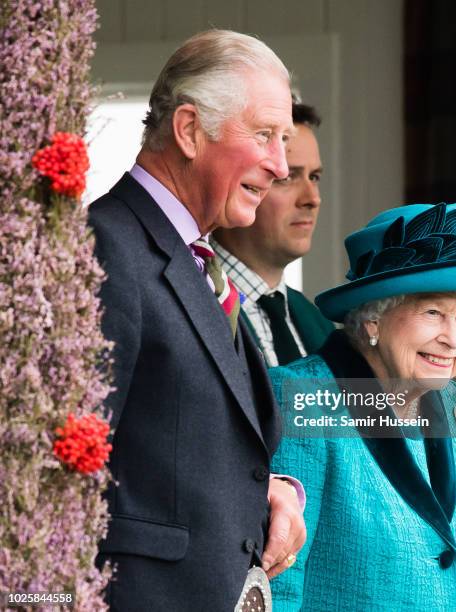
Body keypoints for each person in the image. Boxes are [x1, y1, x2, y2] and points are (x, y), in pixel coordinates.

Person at [89, 30, 306, 611]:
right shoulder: (104, 248)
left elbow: (171, 443)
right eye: (264, 135)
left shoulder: (201, 262)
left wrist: (271, 490)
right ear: (189, 130)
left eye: (283, 140)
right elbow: (61, 472)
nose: (281, 165)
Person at [269, 202, 456, 610]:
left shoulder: (452, 401)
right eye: (433, 312)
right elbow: (277, 585)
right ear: (373, 318)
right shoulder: (302, 398)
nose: (454, 339)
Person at [211, 100, 333, 367]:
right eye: (286, 177)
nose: (312, 199)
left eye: (314, 177)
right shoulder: (192, 299)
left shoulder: (320, 323)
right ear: (235, 184)